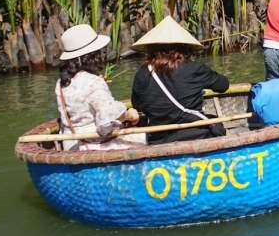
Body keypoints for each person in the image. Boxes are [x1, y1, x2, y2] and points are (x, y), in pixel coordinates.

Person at [131, 16, 230, 144]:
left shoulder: (141, 74)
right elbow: (223, 85)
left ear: (151, 49)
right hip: (197, 134)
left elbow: (137, 105)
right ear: (185, 47)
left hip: (159, 140)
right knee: (216, 124)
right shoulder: (195, 68)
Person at [53, 24, 146, 150]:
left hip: (71, 143)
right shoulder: (94, 82)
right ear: (92, 56)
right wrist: (129, 115)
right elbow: (105, 124)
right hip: (94, 144)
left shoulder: (61, 82)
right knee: (147, 138)